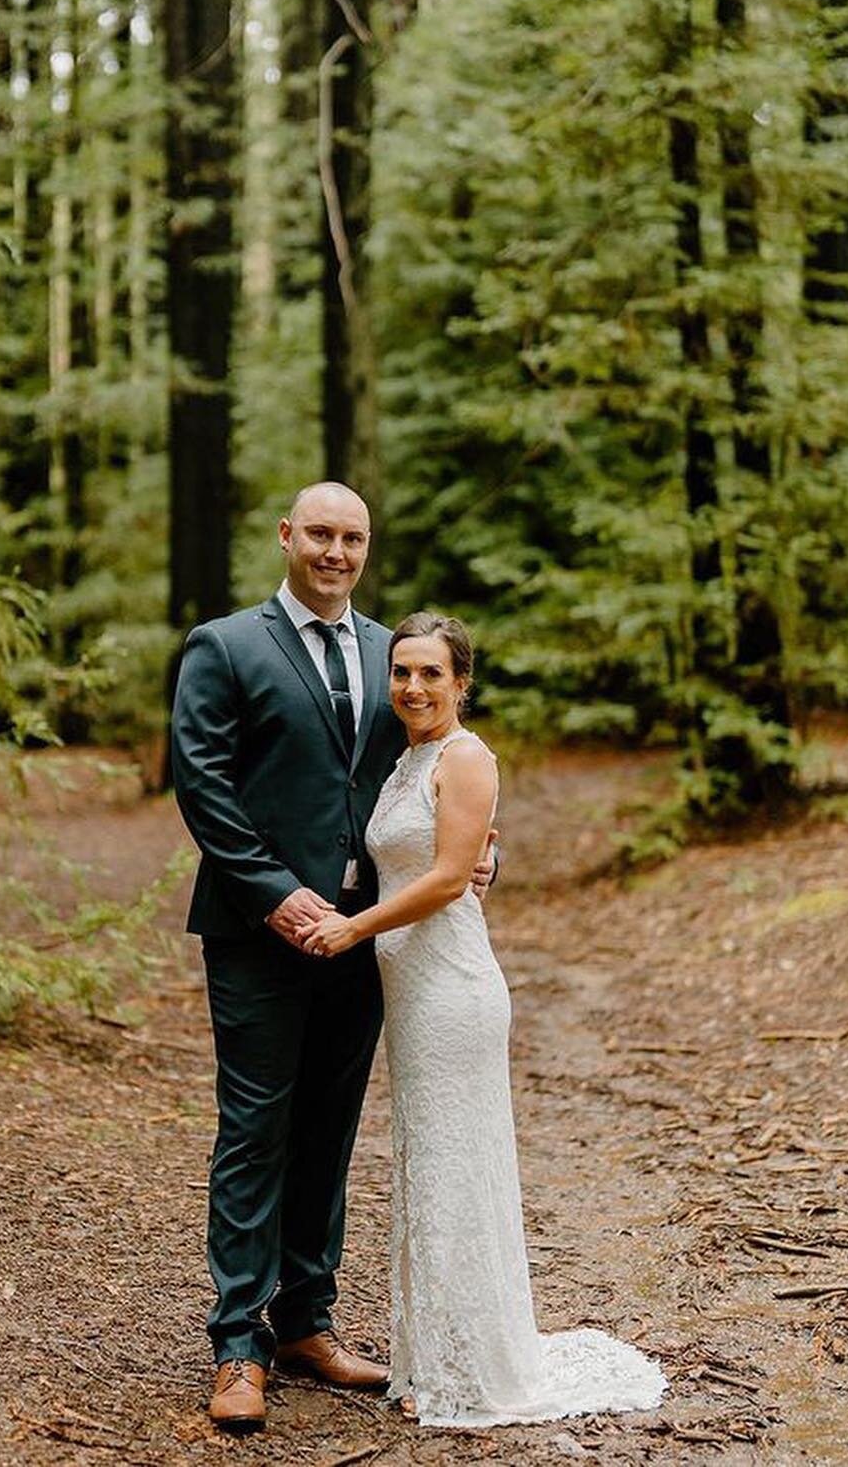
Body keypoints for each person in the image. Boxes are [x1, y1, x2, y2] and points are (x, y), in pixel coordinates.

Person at [302, 613, 667, 1428]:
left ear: (462, 682)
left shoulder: (466, 757)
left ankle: (474, 1365)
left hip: (452, 988)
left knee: (455, 1165)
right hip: (411, 988)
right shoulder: (407, 760)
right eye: (402, 671)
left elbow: (444, 878)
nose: (413, 687)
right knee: (429, 1164)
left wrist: (353, 928)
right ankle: (438, 1351)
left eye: (432, 673)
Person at [170, 483, 410, 1432]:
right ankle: (238, 1342)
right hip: (258, 933)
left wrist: (480, 846)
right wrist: (274, 893)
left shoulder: (395, 651)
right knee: (256, 1125)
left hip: (362, 930)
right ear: (286, 536)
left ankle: (309, 1320)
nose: (336, 551)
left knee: (331, 1126)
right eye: (320, 533)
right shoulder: (224, 646)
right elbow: (204, 782)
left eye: (352, 537)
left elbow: (428, 767)